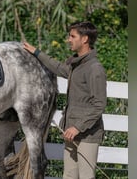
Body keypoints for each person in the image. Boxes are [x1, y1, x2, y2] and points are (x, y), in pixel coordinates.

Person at [23, 21, 107, 179]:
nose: (69, 39)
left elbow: (99, 105)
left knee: (86, 176)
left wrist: (77, 127)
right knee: (68, 175)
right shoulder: (77, 66)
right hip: (71, 132)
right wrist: (36, 52)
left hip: (87, 134)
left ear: (85, 39)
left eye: (72, 36)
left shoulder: (95, 69)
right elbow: (58, 67)